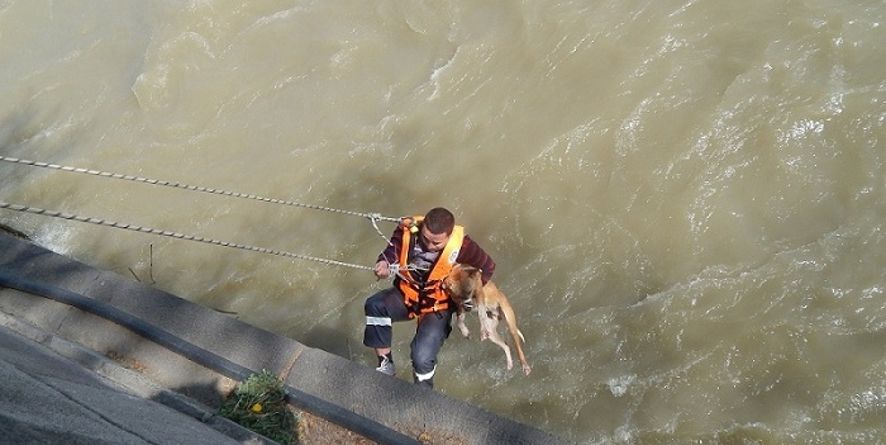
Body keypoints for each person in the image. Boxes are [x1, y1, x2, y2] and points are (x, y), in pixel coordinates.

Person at [363, 207, 495, 389]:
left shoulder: (464, 246)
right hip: (407, 294)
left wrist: (467, 292)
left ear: (448, 237)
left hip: (438, 306)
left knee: (421, 356)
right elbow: (392, 249)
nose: (429, 246)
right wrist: (384, 263)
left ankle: (423, 394)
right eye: (425, 239)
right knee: (375, 305)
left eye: (436, 243)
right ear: (422, 227)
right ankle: (386, 366)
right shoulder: (409, 230)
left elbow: (487, 267)